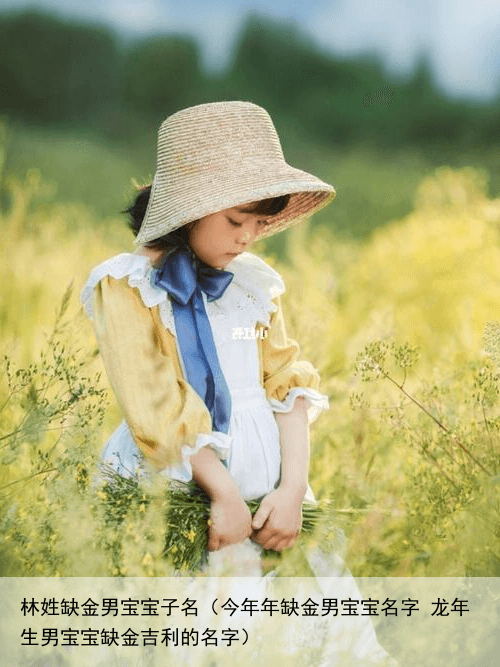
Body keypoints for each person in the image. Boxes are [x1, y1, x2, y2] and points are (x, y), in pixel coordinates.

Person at [81, 101, 397, 665]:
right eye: (235, 221)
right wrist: (222, 491)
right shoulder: (127, 287)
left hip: (269, 486)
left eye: (260, 222)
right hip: (180, 480)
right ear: (188, 210)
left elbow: (288, 387)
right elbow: (151, 402)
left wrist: (293, 489)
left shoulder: (254, 285)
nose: (249, 238)